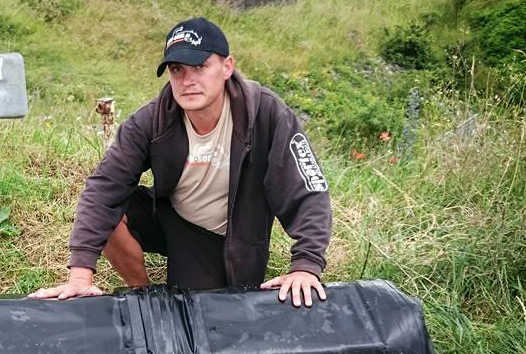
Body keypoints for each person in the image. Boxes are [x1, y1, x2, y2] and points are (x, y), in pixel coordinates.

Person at [30, 17, 331, 307]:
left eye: (200, 67)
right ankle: (144, 293)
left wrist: (306, 265)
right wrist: (80, 275)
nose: (187, 81)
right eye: (177, 69)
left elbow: (308, 189)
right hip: (171, 216)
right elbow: (103, 189)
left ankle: (202, 277)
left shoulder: (266, 114)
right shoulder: (151, 120)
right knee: (112, 209)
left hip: (225, 238)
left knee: (201, 314)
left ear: (227, 67)